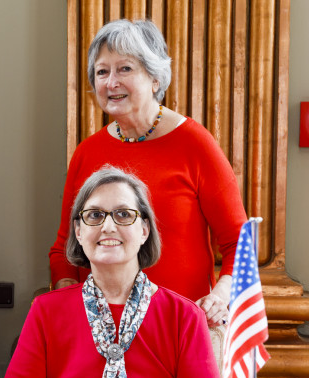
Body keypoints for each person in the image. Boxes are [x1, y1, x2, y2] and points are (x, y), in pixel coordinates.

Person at [49, 19, 246, 328]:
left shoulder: (195, 144)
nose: (111, 82)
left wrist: (221, 295)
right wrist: (66, 303)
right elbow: (64, 249)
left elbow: (239, 240)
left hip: (176, 329)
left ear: (155, 78)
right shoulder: (87, 152)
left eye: (125, 69)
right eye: (102, 72)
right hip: (99, 331)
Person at [0, 167, 222, 378]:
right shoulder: (46, 311)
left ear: (144, 230)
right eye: (95, 215)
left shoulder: (185, 317)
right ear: (79, 231)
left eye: (123, 214)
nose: (108, 226)